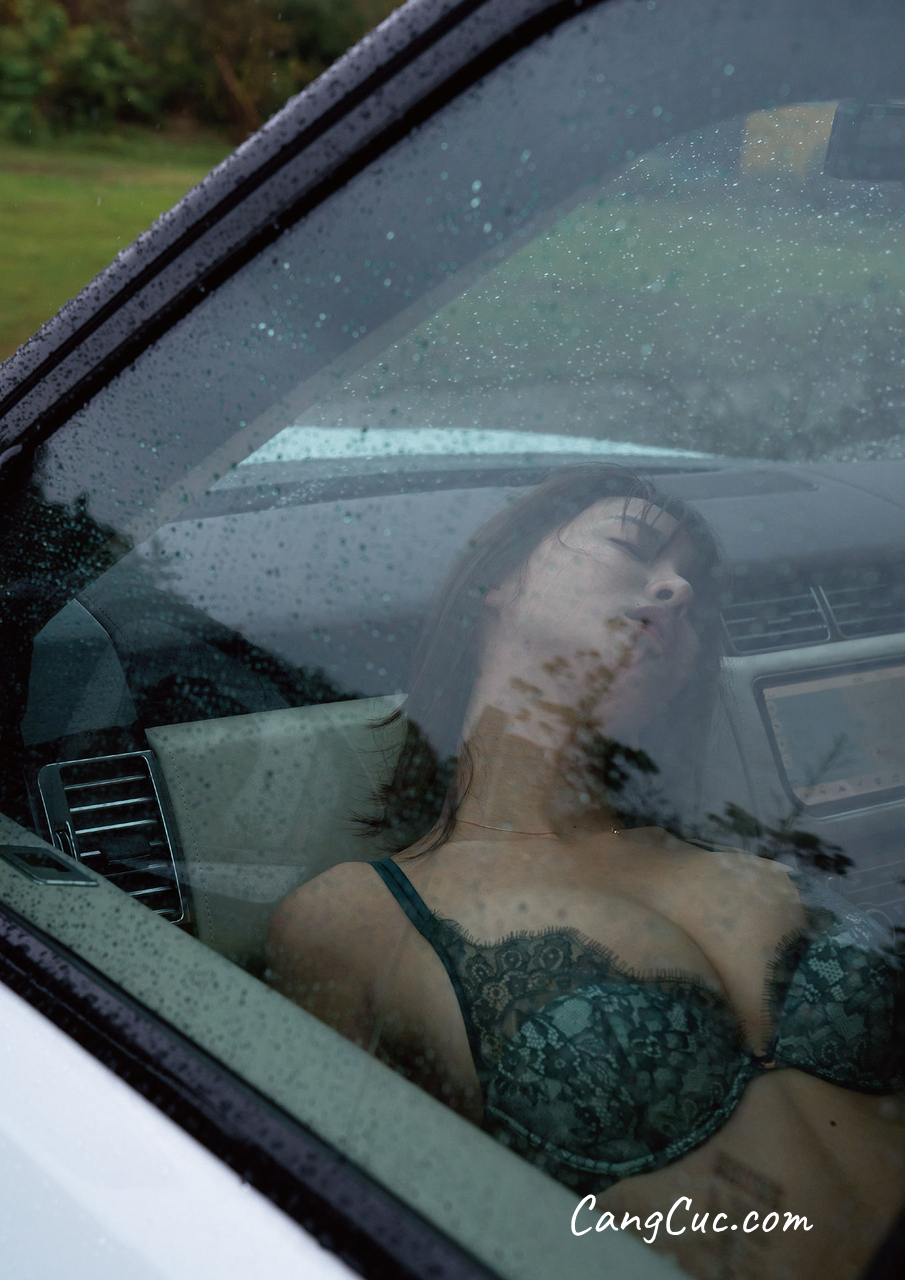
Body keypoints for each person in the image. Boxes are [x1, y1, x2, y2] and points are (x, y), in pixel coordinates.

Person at [266, 465, 904, 1280]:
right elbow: (330, 1226)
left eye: (697, 594)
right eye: (631, 548)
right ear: (495, 582)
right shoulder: (357, 918)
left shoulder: (754, 864)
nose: (677, 590)